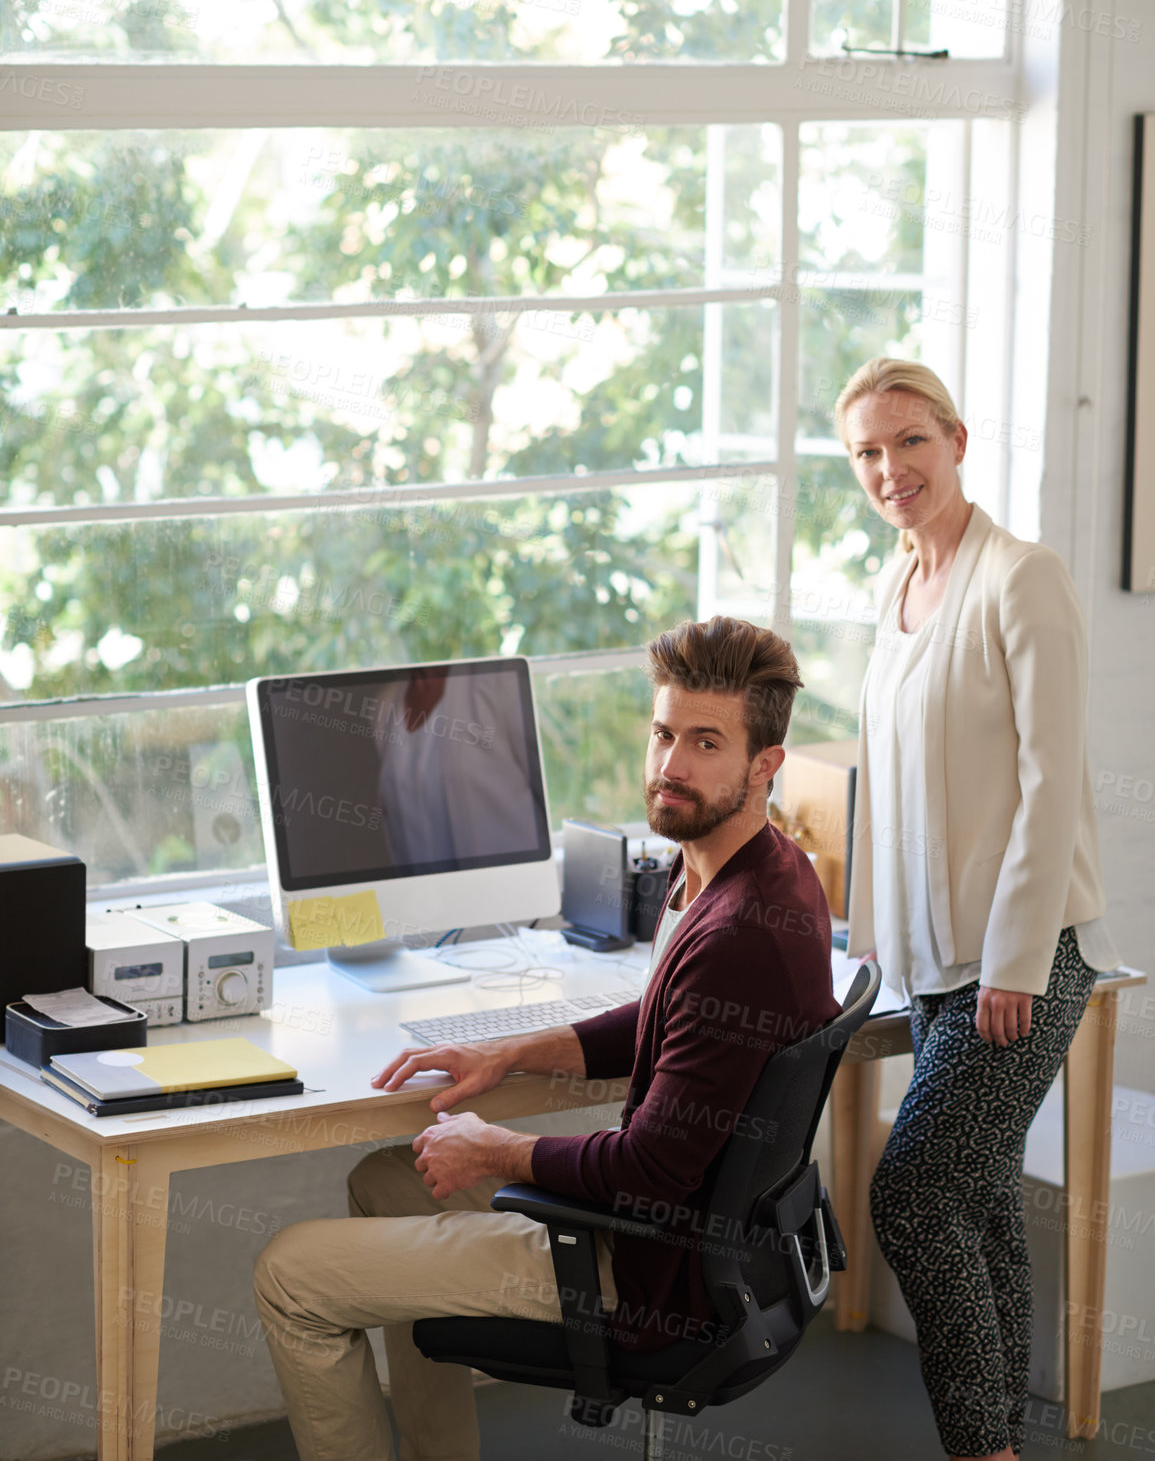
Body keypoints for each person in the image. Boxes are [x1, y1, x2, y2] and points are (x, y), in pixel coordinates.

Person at [254, 616, 839, 1461]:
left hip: (644, 1271)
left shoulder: (741, 931)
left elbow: (647, 1168)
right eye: (663, 733)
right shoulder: (747, 865)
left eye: (705, 742)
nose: (670, 765)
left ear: (764, 764)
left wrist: (494, 1149)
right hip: (680, 1236)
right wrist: (511, 1052)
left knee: (290, 1273)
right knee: (385, 1177)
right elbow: (669, 1022)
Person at [837, 358, 1118, 1461]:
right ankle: (1001, 1440)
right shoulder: (898, 584)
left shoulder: (1022, 578)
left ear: (956, 440)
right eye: (867, 451)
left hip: (1026, 961)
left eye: (909, 441)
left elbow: (1054, 782)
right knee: (983, 1204)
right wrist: (868, 930)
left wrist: (1011, 963)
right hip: (932, 962)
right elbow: (884, 768)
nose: (890, 469)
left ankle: (981, 1452)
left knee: (911, 1198)